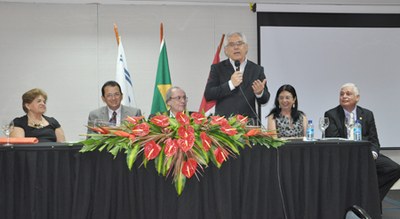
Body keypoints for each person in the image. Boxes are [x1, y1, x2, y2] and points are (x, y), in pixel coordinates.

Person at [325, 82, 400, 202]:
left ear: (357, 98)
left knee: (394, 168)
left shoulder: (367, 114)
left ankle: (372, 198)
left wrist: (373, 154)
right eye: (341, 94)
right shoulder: (331, 114)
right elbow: (334, 141)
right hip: (345, 157)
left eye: (348, 94)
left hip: (366, 155)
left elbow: (374, 140)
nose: (344, 96)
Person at [204, 32, 270, 124]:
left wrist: (260, 93)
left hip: (248, 124)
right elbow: (209, 94)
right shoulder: (217, 68)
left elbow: (265, 99)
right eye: (231, 44)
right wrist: (230, 84)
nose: (236, 47)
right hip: (224, 124)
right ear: (226, 50)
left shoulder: (257, 69)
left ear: (246, 47)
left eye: (239, 43)